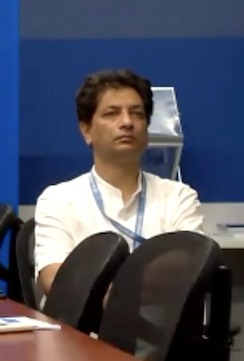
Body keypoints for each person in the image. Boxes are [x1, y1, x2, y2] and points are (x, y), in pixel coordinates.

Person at [34, 69, 204, 295]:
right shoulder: (58, 200)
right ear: (86, 130)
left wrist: (99, 287)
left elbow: (191, 272)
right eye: (111, 113)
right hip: (87, 320)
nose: (127, 122)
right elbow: (56, 281)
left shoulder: (178, 198)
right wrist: (137, 294)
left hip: (160, 320)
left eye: (137, 113)